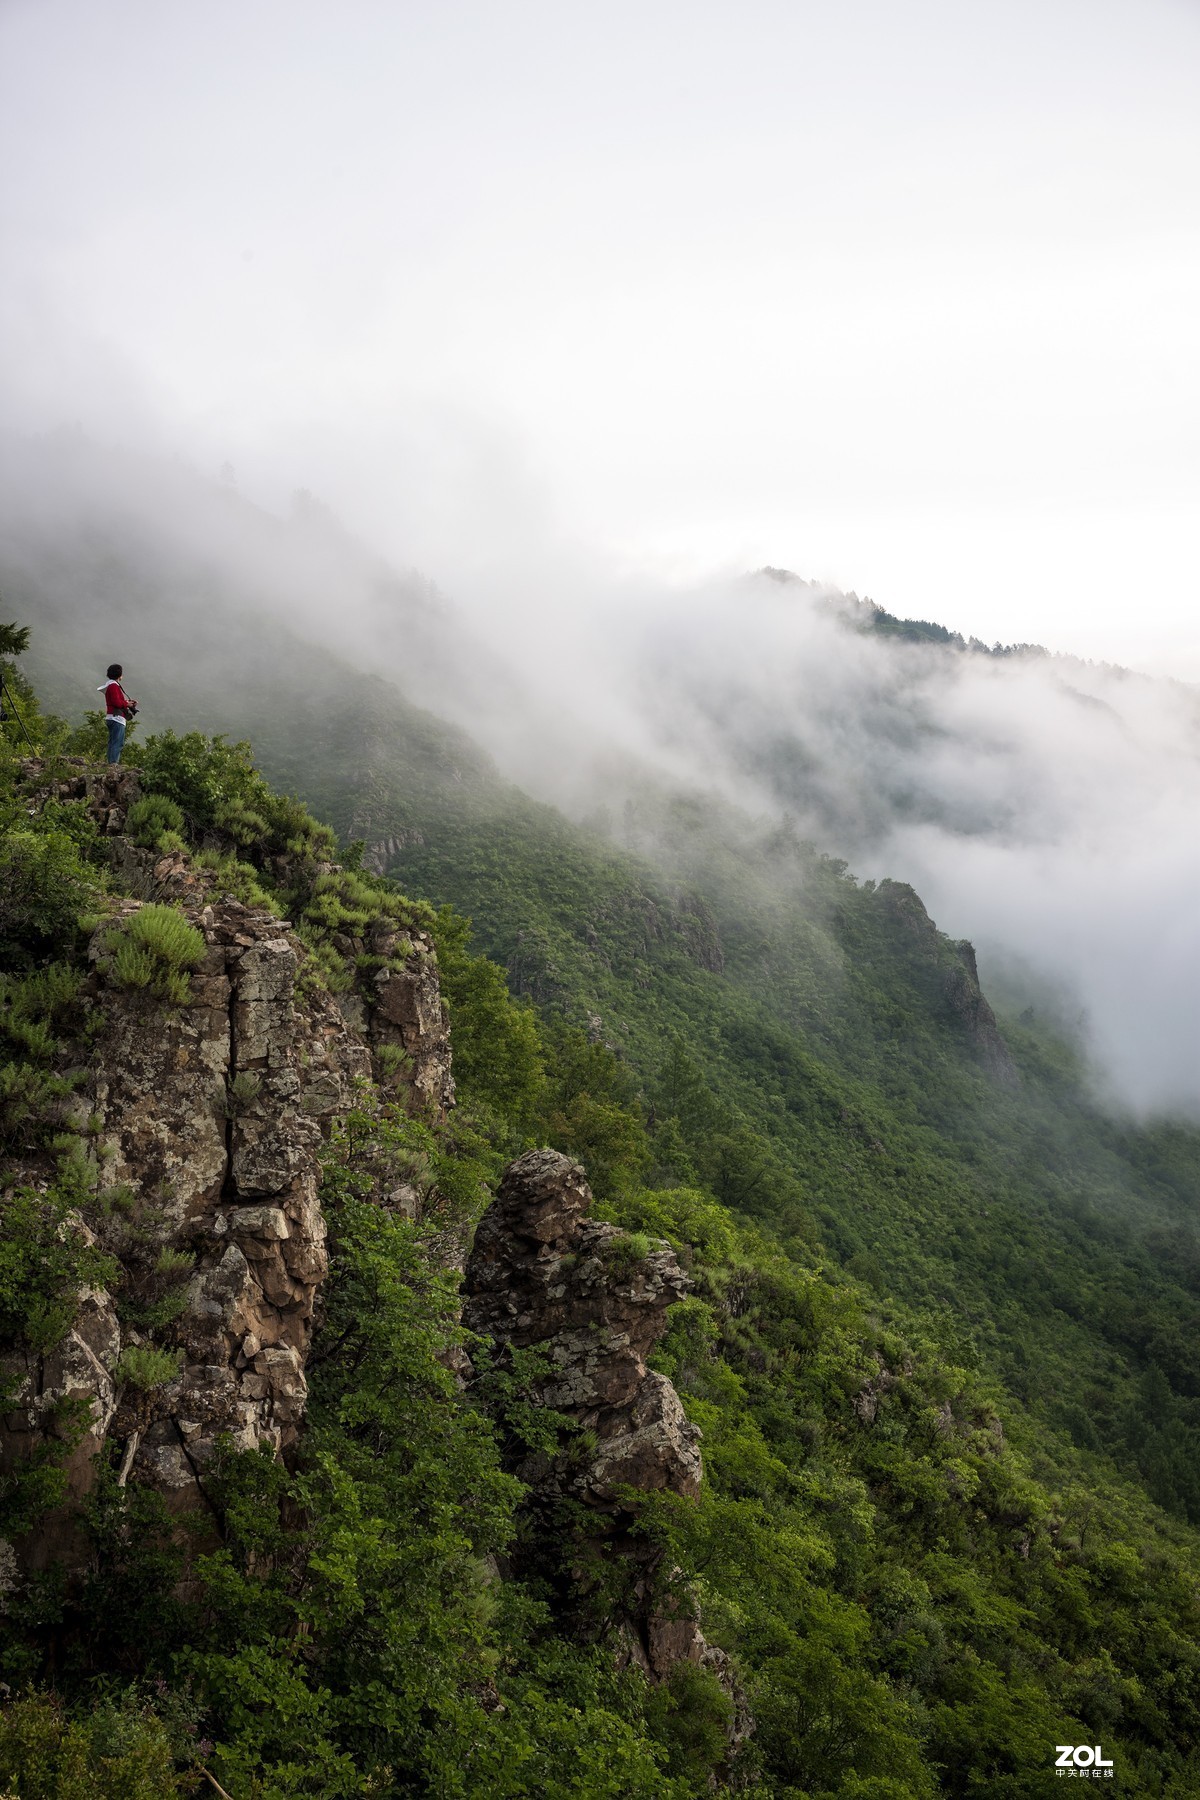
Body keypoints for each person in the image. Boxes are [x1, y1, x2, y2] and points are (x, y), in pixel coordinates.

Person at [99, 663, 137, 764]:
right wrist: (127, 704)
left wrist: (127, 703)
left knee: (112, 742)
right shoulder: (114, 686)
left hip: (111, 717)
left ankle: (110, 763)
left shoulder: (109, 685)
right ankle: (113, 764)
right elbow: (116, 702)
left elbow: (115, 701)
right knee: (117, 742)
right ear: (119, 675)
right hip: (117, 718)